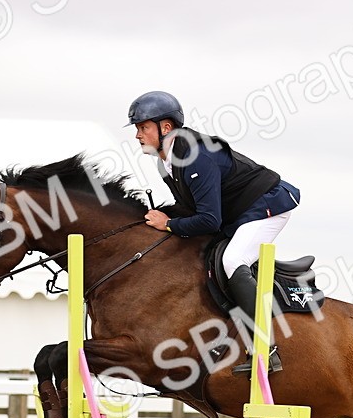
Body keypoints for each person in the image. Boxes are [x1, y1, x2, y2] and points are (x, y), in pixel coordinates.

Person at [127, 90, 299, 374]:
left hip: (268, 204)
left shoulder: (196, 157)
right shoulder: (164, 162)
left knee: (232, 261)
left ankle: (266, 347)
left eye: (143, 127)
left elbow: (208, 220)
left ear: (165, 127)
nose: (137, 135)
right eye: (137, 128)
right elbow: (190, 208)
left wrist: (168, 224)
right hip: (237, 212)